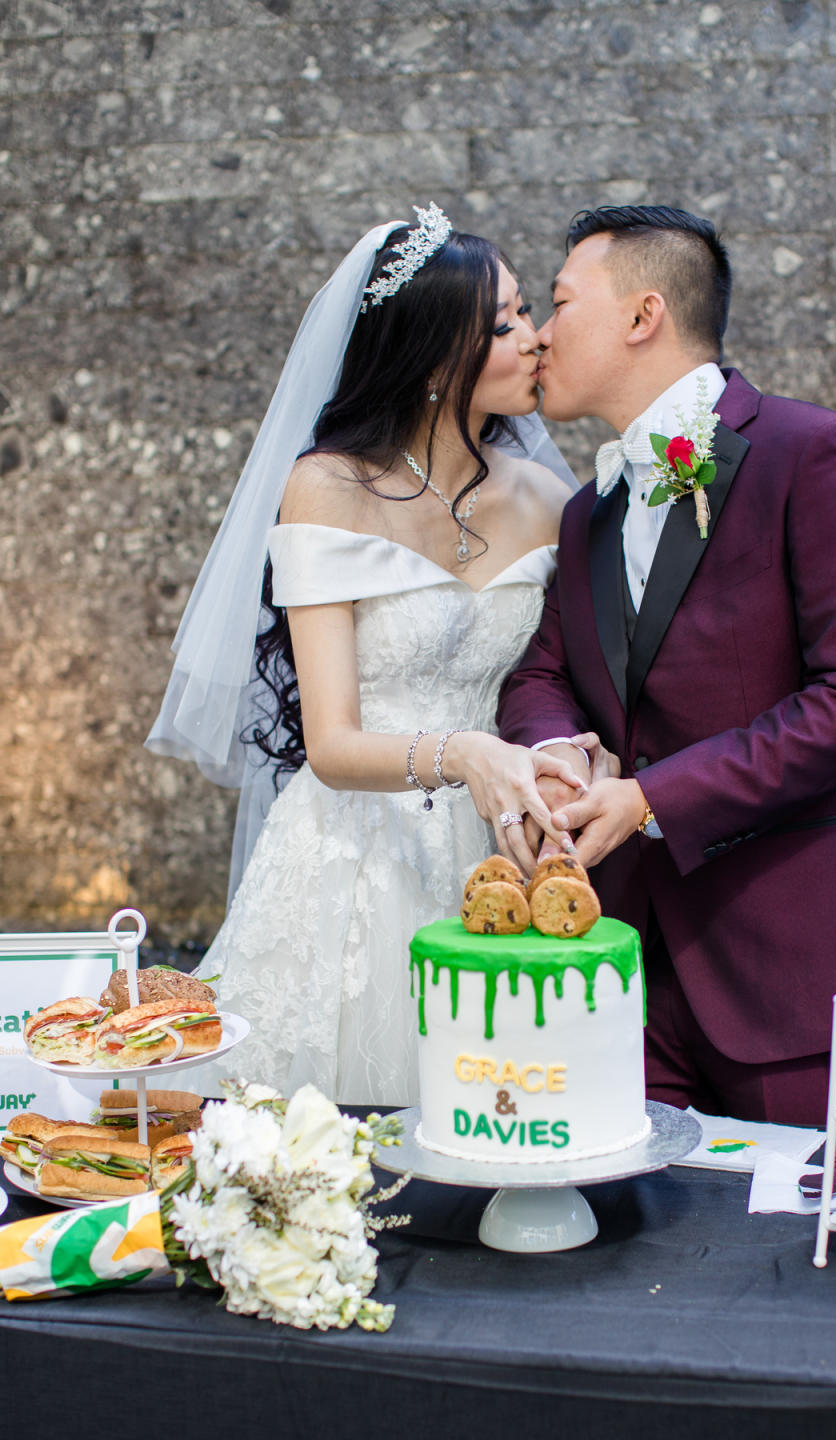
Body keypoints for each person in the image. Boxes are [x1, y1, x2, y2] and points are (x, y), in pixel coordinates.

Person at [497, 204, 836, 1126]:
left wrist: (655, 799)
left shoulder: (816, 456)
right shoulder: (588, 511)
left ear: (643, 316)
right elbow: (542, 674)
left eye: (561, 301)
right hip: (625, 967)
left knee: (802, 1245)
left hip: (793, 964)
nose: (537, 335)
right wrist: (555, 756)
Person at [147, 205, 582, 1105]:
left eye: (527, 311)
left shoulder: (547, 497)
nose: (535, 339)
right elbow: (333, 744)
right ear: (431, 360)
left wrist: (575, 752)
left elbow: (559, 683)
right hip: (356, 855)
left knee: (506, 1114)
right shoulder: (327, 488)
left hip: (502, 851)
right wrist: (462, 754)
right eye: (502, 325)